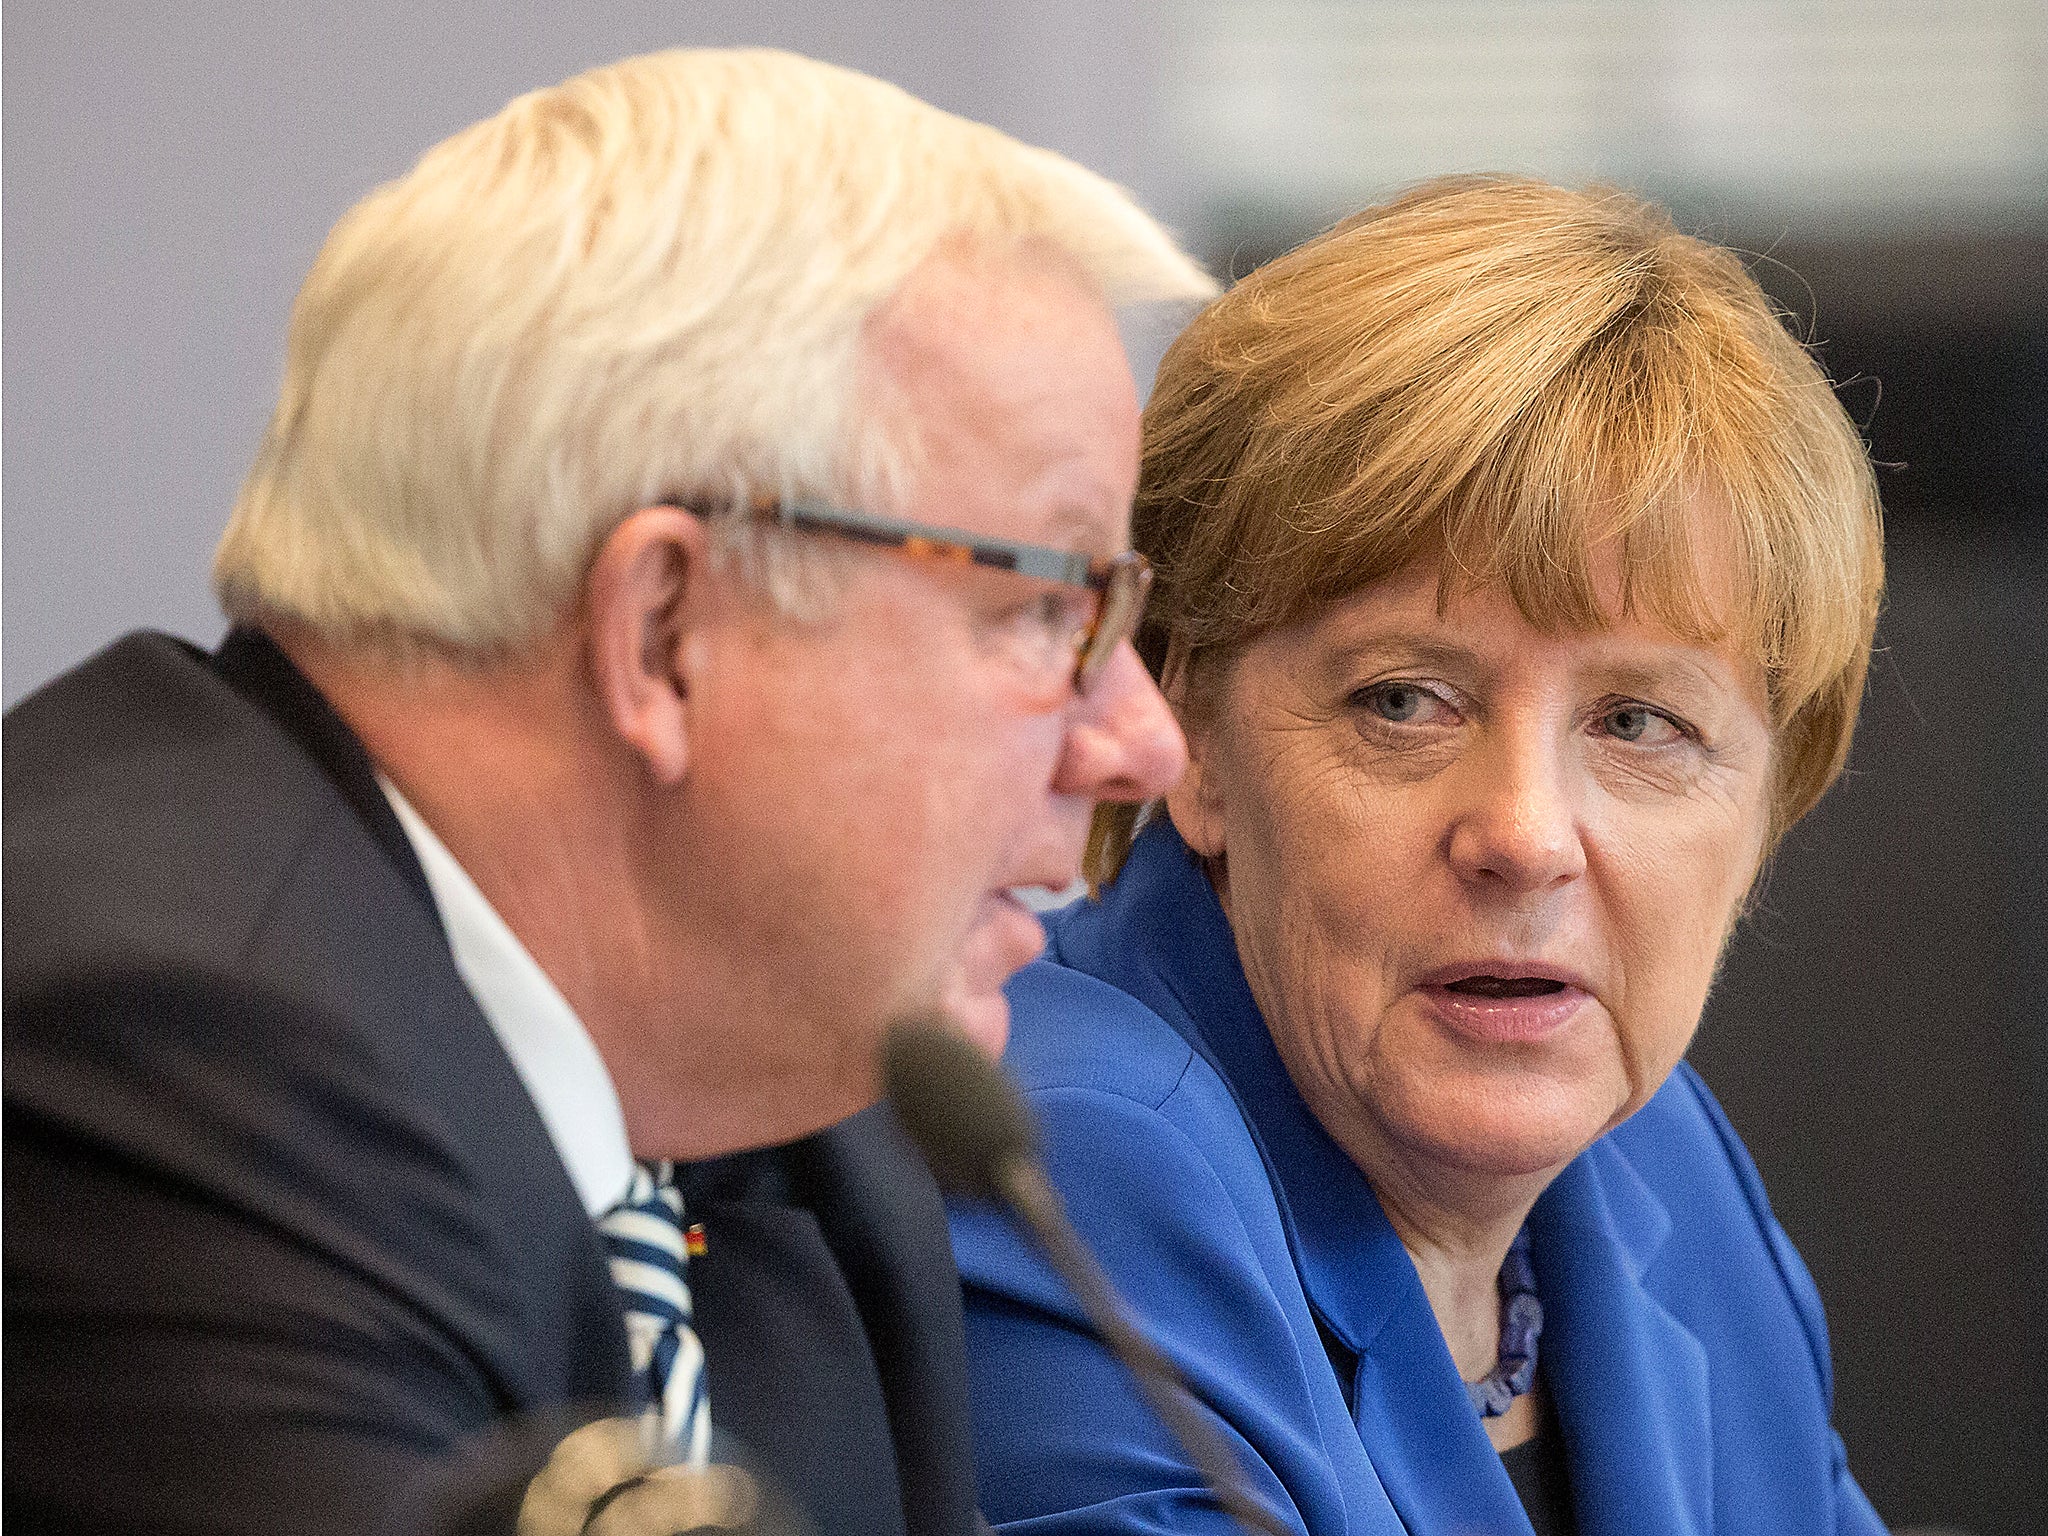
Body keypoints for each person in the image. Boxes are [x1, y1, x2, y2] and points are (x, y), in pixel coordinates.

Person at [3, 48, 1211, 1536]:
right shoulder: (161, 1058)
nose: (1140, 742)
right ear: (665, 634)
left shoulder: (808, 1113)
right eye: (1047, 609)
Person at [952, 177, 1889, 1536]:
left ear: (1769, 802)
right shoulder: (1069, 1173)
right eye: (1404, 700)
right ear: (1190, 734)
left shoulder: (1659, 1170)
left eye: (1640, 723)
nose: (1521, 835)